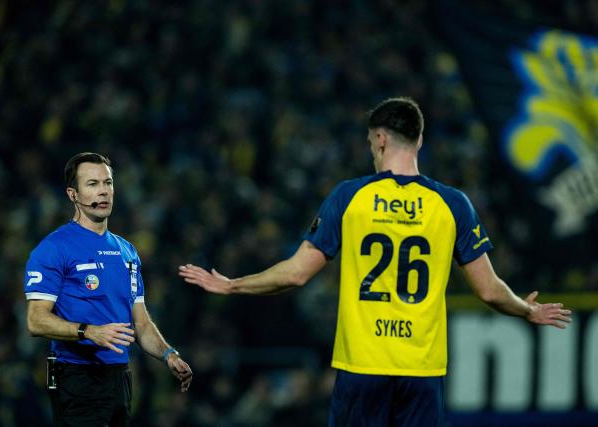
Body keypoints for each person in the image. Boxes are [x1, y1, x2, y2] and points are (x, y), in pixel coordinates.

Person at [178, 97, 572, 426]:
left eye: (370, 142)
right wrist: (526, 310)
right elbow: (488, 289)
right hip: (421, 370)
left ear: (381, 138)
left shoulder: (350, 197)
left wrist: (233, 284)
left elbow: (296, 274)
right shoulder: (453, 204)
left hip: (362, 366)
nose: (371, 150)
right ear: (419, 140)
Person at [25, 152, 192, 427]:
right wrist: (89, 332)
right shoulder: (54, 248)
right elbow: (35, 320)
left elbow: (140, 321)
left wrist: (168, 354)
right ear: (73, 194)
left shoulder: (127, 252)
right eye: (92, 184)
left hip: (120, 377)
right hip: (76, 376)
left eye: (108, 183)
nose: (103, 191)